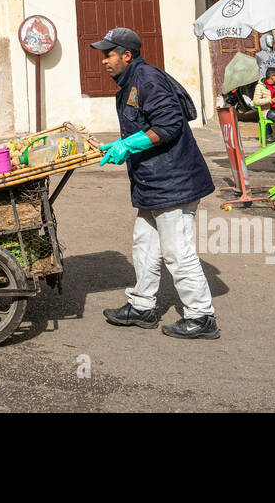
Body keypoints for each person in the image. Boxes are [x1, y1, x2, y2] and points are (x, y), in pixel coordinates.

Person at [92, 27, 219, 339]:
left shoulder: (147, 79)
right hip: (153, 183)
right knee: (144, 245)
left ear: (127, 55)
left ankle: (201, 316)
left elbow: (170, 125)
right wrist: (122, 145)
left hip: (173, 183)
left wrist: (129, 145)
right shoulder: (130, 81)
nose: (104, 61)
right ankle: (142, 306)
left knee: (177, 251)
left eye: (108, 54)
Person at [253, 67, 275, 135]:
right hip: (267, 111)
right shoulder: (260, 86)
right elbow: (256, 101)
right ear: (271, 76)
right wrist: (271, 100)